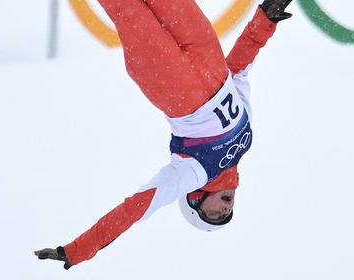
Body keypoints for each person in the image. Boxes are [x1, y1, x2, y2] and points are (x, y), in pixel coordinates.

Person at [34, 0, 294, 270]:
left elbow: (132, 210)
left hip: (171, 84)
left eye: (213, 215)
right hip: (209, 54)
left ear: (195, 199)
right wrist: (265, 20)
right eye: (225, 216)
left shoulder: (192, 173)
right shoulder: (247, 140)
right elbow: (238, 69)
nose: (225, 211)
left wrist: (78, 250)